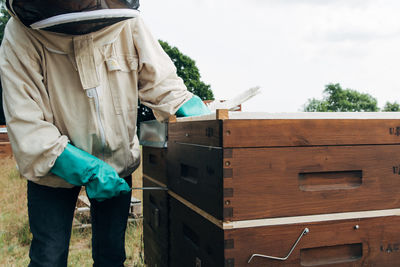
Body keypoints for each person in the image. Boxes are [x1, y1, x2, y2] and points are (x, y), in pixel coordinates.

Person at [0, 1, 210, 266]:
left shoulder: (128, 21)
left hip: (117, 160)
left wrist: (196, 114)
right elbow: (25, 121)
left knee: (111, 256)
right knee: (48, 257)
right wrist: (85, 169)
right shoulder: (19, 33)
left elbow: (161, 82)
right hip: (53, 169)